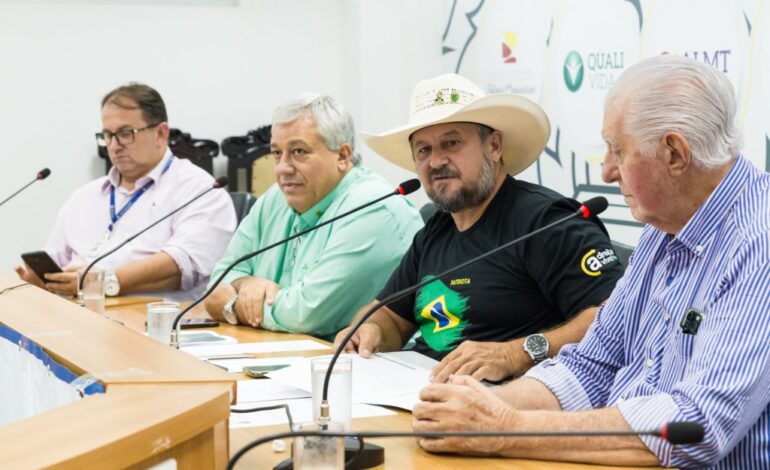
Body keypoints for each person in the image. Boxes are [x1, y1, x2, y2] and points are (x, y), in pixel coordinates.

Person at [412, 55, 770, 468]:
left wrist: (503, 426)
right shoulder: (663, 228)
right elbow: (591, 364)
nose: (606, 171)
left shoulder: (757, 243)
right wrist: (476, 405)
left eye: (617, 150)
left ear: (674, 153)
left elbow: (696, 426)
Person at [334, 73, 624, 383]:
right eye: (423, 150)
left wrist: (516, 354)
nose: (435, 161)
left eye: (452, 143)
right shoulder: (435, 228)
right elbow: (391, 317)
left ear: (495, 146)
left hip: (508, 406)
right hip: (416, 391)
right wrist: (368, 331)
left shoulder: (548, 222)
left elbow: (613, 318)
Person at [203, 94, 423, 340]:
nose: (283, 168)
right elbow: (220, 278)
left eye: (299, 151)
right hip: (280, 352)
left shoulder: (375, 208)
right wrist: (246, 284)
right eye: (277, 154)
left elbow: (305, 314)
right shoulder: (276, 197)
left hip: (356, 365)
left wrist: (231, 306)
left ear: (342, 156)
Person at [15, 83, 236, 301]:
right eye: (108, 135)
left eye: (125, 133)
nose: (114, 145)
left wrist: (103, 281)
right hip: (79, 316)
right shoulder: (85, 197)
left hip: (153, 324)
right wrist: (42, 279)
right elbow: (56, 256)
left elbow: (181, 264)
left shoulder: (200, 190)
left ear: (161, 133)